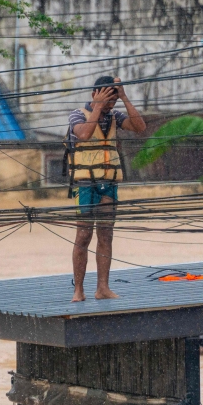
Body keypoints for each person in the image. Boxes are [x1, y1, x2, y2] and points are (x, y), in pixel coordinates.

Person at [66, 76, 146, 301]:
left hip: (108, 182)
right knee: (83, 234)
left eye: (113, 101)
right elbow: (83, 134)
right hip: (85, 184)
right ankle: (78, 290)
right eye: (107, 100)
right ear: (95, 94)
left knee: (106, 234)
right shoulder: (78, 114)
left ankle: (103, 287)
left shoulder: (114, 116)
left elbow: (140, 127)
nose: (111, 106)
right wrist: (98, 106)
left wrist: (124, 97)